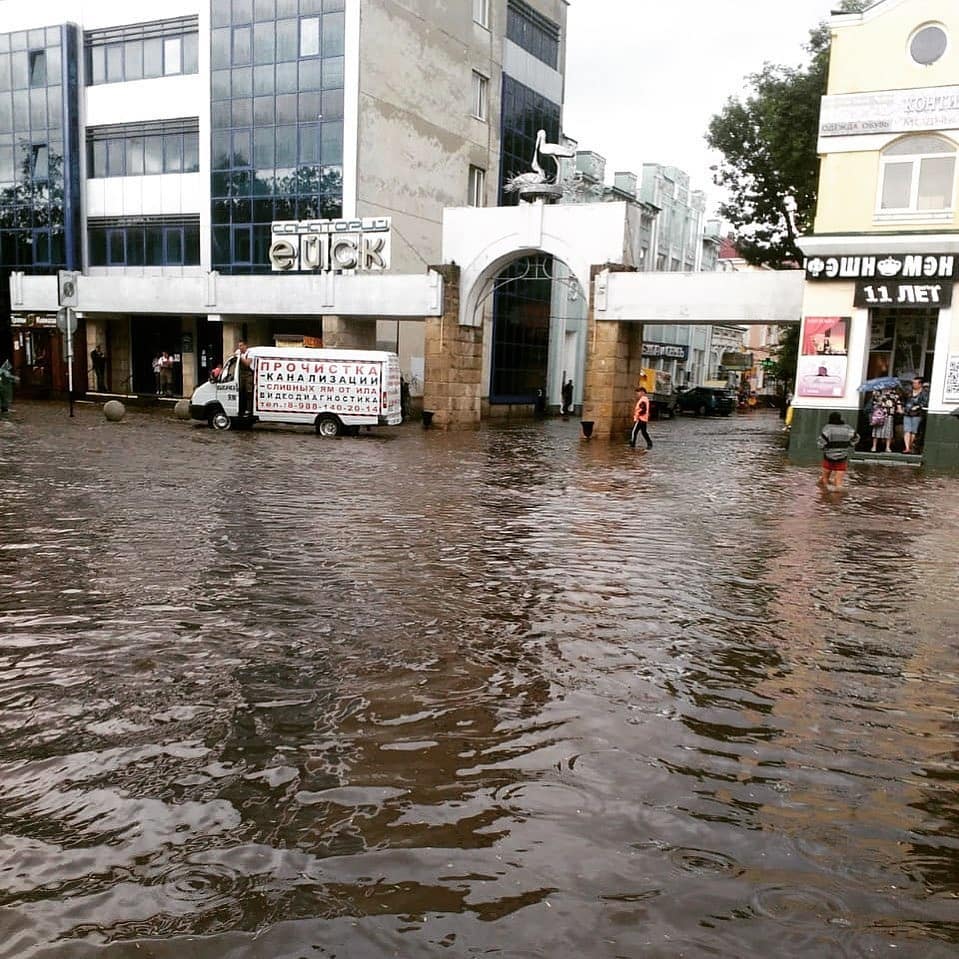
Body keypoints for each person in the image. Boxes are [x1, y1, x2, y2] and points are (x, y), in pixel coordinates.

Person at [817, 412, 859, 489]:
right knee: (839, 483)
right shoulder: (847, 428)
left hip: (828, 456)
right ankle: (838, 497)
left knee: (825, 479)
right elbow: (856, 438)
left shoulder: (827, 428)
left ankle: (825, 494)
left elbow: (821, 442)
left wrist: (823, 448)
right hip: (842, 456)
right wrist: (850, 444)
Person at [901, 377, 928, 454]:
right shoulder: (909, 391)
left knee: (914, 431)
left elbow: (925, 402)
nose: (913, 384)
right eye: (913, 383)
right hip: (907, 413)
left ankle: (910, 446)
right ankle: (906, 448)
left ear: (920, 384)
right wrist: (901, 407)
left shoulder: (924, 393)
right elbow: (903, 400)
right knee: (907, 430)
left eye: (915, 383)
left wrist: (918, 406)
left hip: (917, 414)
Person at [869, 388, 898, 453]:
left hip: (889, 413)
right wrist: (880, 402)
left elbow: (897, 402)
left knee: (888, 430)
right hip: (878, 414)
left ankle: (887, 447)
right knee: (876, 430)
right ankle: (874, 446)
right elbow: (874, 402)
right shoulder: (877, 392)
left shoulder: (894, 393)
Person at [236, 340, 254, 416]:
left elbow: (247, 363)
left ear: (245, 346)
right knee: (240, 392)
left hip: (248, 374)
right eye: (239, 346)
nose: (240, 347)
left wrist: (240, 357)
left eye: (241, 345)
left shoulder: (250, 353)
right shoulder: (238, 352)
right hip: (241, 375)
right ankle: (241, 409)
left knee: (248, 392)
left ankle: (249, 410)